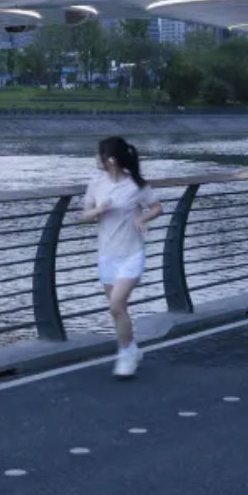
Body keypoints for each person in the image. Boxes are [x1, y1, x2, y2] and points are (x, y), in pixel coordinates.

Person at [81, 136, 162, 378]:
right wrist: (99, 209)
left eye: (101, 155)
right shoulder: (96, 184)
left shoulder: (136, 185)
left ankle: (125, 355)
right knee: (118, 310)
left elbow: (157, 207)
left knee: (116, 304)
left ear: (111, 160)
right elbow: (83, 216)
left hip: (132, 254)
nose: (98, 159)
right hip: (107, 255)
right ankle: (132, 349)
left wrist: (142, 218)